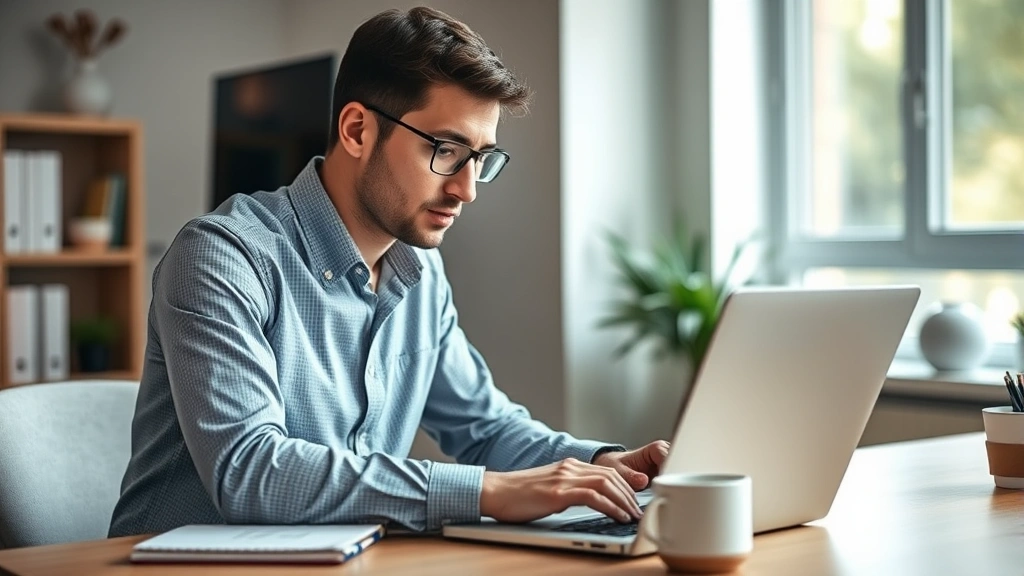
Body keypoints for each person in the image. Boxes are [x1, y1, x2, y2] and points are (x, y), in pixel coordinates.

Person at [108, 6, 668, 537]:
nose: (467, 189)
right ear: (356, 130)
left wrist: (604, 464)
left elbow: (487, 427)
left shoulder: (421, 273)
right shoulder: (222, 257)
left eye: (480, 159)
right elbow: (250, 471)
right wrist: (486, 492)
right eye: (447, 150)